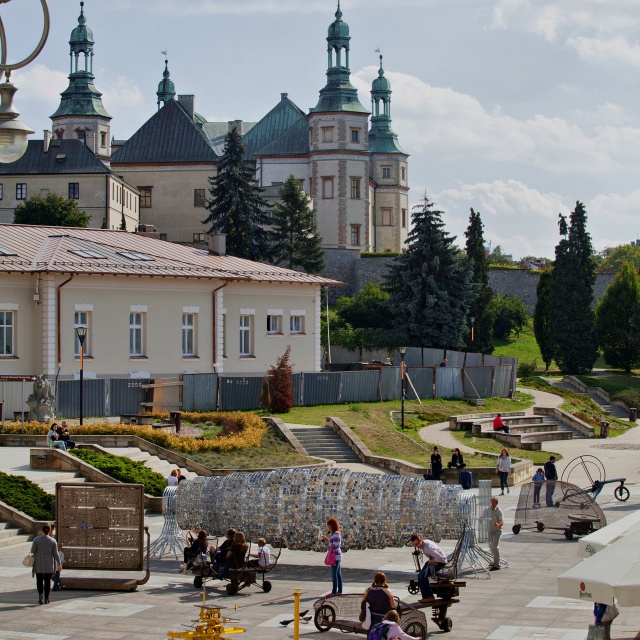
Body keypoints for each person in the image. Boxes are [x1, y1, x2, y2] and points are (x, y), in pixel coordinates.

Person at [409, 534, 446, 603]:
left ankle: (429, 597)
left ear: (421, 540)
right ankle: (426, 596)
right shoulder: (424, 544)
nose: (417, 546)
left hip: (439, 562)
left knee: (422, 576)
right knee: (420, 575)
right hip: (433, 561)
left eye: (417, 544)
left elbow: (439, 559)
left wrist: (430, 561)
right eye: (415, 545)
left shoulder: (428, 548)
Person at [30, 524, 61, 605]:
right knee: (47, 581)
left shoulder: (36, 539)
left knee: (39, 580)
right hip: (49, 562)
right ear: (50, 531)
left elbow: (33, 550)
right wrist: (59, 563)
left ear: (42, 530)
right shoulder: (52, 541)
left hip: (39, 561)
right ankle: (47, 598)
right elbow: (56, 554)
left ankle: (40, 594)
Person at [321, 517, 342, 595]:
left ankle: (334, 591)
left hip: (335, 557)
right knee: (338, 574)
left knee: (334, 575)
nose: (328, 527)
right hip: (337, 556)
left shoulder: (336, 534)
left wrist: (327, 541)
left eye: (329, 526)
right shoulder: (336, 533)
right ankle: (339, 591)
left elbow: (334, 545)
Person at [487, 496, 504, 570]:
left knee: (495, 547)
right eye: (491, 501)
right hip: (490, 531)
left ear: (496, 503)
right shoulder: (488, 509)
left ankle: (497, 565)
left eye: (493, 502)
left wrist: (498, 524)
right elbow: (483, 515)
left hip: (497, 531)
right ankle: (495, 561)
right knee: (491, 546)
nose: (492, 503)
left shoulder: (499, 511)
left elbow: (502, 521)